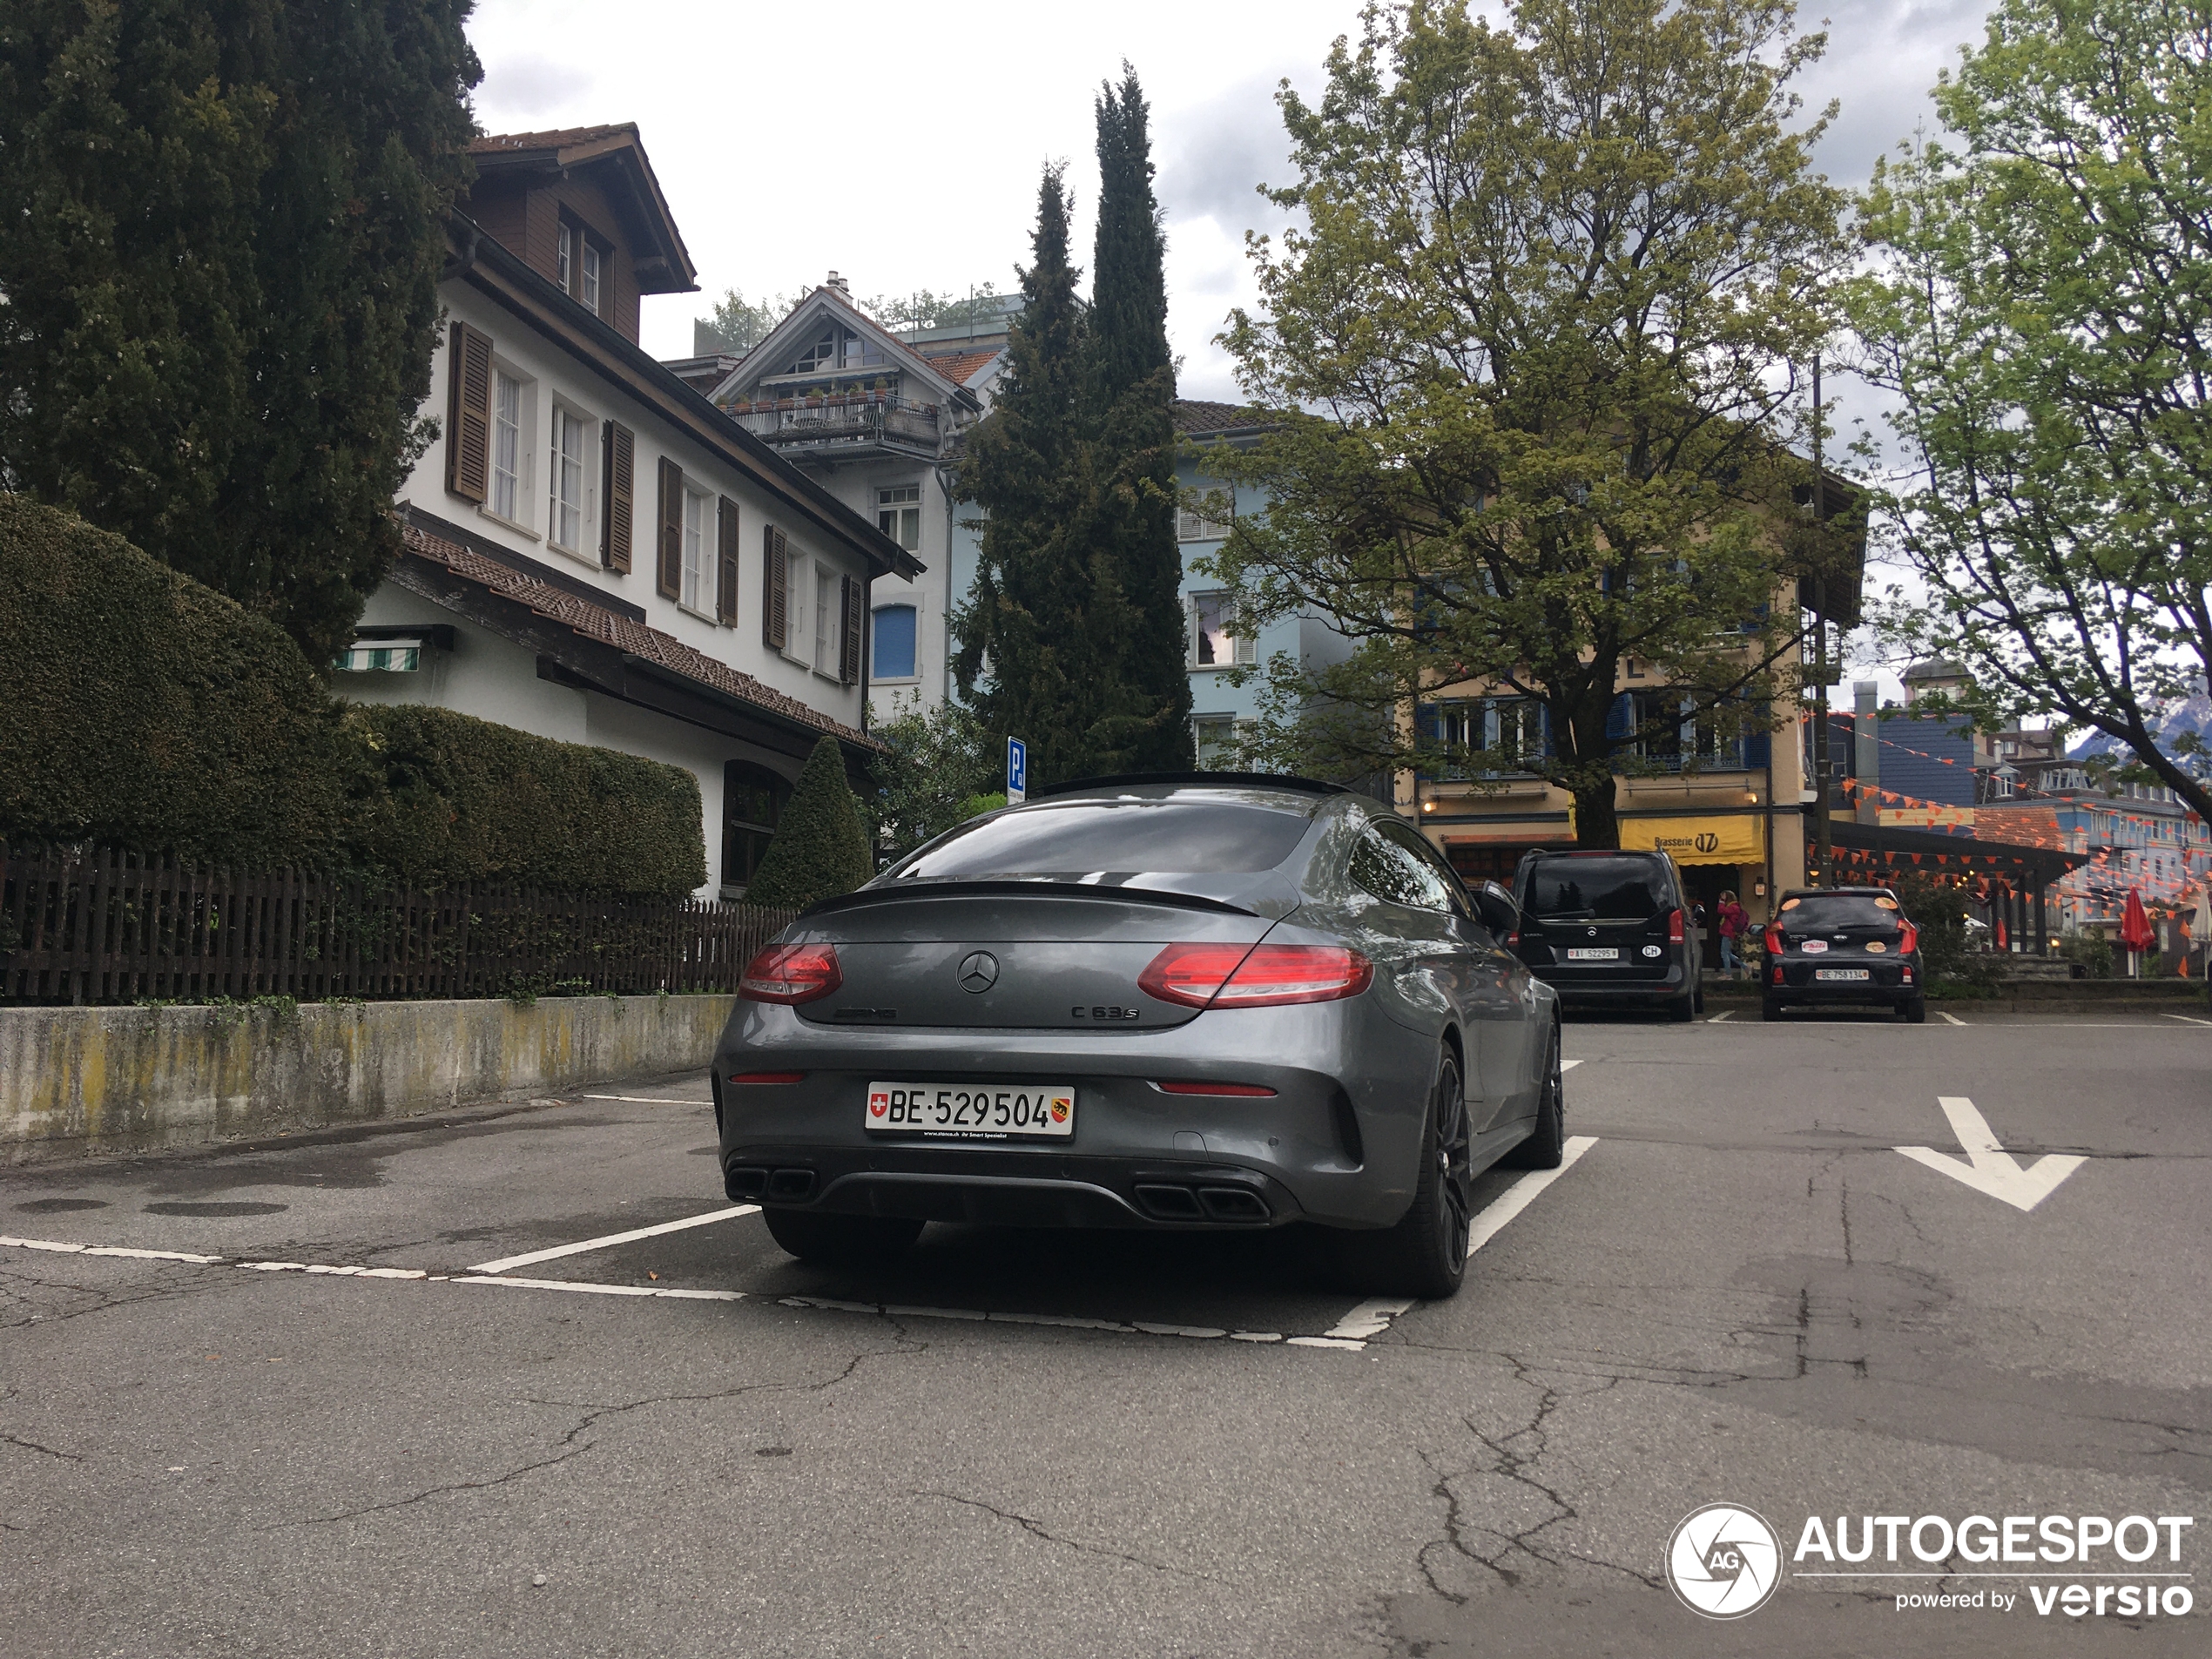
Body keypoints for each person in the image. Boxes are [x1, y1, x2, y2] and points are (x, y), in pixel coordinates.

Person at [1716, 889, 1750, 978]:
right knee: (1728, 953)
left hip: (1728, 932)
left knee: (1724, 953)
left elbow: (1721, 911)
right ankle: (1745, 967)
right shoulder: (1734, 907)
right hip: (1729, 932)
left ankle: (1728, 974)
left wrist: (1721, 901)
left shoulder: (1733, 907)